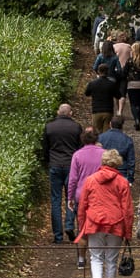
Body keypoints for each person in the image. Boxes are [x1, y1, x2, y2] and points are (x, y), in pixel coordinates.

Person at [75, 149, 134, 278]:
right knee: (111, 259)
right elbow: (127, 209)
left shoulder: (90, 180)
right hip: (116, 223)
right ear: (118, 164)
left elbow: (82, 206)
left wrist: (82, 226)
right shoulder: (122, 182)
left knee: (96, 257)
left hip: (95, 222)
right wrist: (128, 232)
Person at [41, 103, 82, 244]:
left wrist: (49, 161)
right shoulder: (76, 127)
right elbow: (79, 147)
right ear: (70, 113)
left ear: (58, 112)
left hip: (55, 165)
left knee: (55, 200)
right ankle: (69, 225)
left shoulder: (49, 127)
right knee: (70, 197)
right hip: (71, 165)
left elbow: (45, 149)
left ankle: (57, 235)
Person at [68, 128, 104, 269]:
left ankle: (81, 259)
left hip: (82, 195)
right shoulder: (104, 154)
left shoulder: (77, 155)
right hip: (100, 195)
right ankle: (98, 257)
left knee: (82, 228)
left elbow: (72, 179)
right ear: (96, 139)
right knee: (100, 227)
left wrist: (70, 197)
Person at [84, 63, 121, 134]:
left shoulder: (92, 83)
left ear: (98, 71)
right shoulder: (111, 84)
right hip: (108, 111)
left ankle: (97, 145)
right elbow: (118, 96)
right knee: (106, 133)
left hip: (96, 110)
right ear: (107, 72)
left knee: (97, 133)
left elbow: (87, 93)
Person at [98, 115, 135, 183]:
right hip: (121, 172)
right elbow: (131, 161)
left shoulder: (101, 137)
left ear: (110, 124)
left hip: (104, 171)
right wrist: (130, 178)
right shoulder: (127, 140)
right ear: (122, 126)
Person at [123, 41, 140, 130]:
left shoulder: (130, 61)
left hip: (132, 85)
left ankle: (136, 120)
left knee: (133, 104)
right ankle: (139, 118)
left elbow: (124, 72)